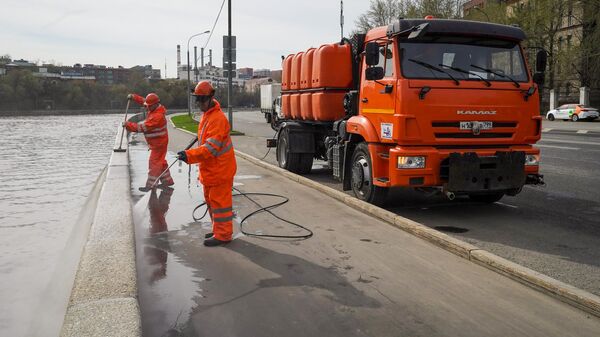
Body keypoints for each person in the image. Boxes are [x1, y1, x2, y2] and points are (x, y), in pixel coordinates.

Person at [177, 81, 236, 247]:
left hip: (220, 171)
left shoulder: (217, 119)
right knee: (212, 203)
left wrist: (188, 155)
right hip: (211, 171)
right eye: (198, 100)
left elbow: (210, 149)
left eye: (202, 100)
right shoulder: (207, 117)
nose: (199, 103)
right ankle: (218, 229)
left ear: (210, 98)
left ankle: (223, 235)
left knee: (220, 205)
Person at [124, 93, 174, 191]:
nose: (148, 107)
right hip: (158, 142)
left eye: (150, 106)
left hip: (159, 143)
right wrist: (133, 97)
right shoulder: (154, 107)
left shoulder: (157, 116)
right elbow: (144, 101)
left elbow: (142, 127)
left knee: (154, 163)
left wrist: (127, 125)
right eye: (148, 105)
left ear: (155, 104)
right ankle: (167, 181)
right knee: (161, 162)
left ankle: (150, 185)